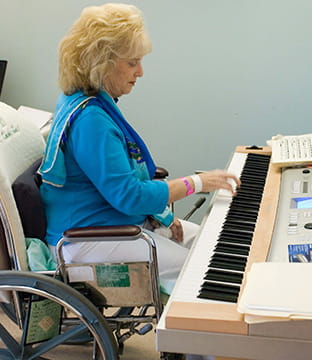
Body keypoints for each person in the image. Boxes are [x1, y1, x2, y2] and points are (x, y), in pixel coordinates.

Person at [39, 3, 240, 297]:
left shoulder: (84, 101)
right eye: (132, 62)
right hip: (85, 239)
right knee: (202, 274)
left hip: (110, 222)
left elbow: (123, 185)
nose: (141, 72)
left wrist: (162, 215)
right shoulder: (91, 120)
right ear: (102, 63)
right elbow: (129, 196)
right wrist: (197, 183)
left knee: (214, 242)